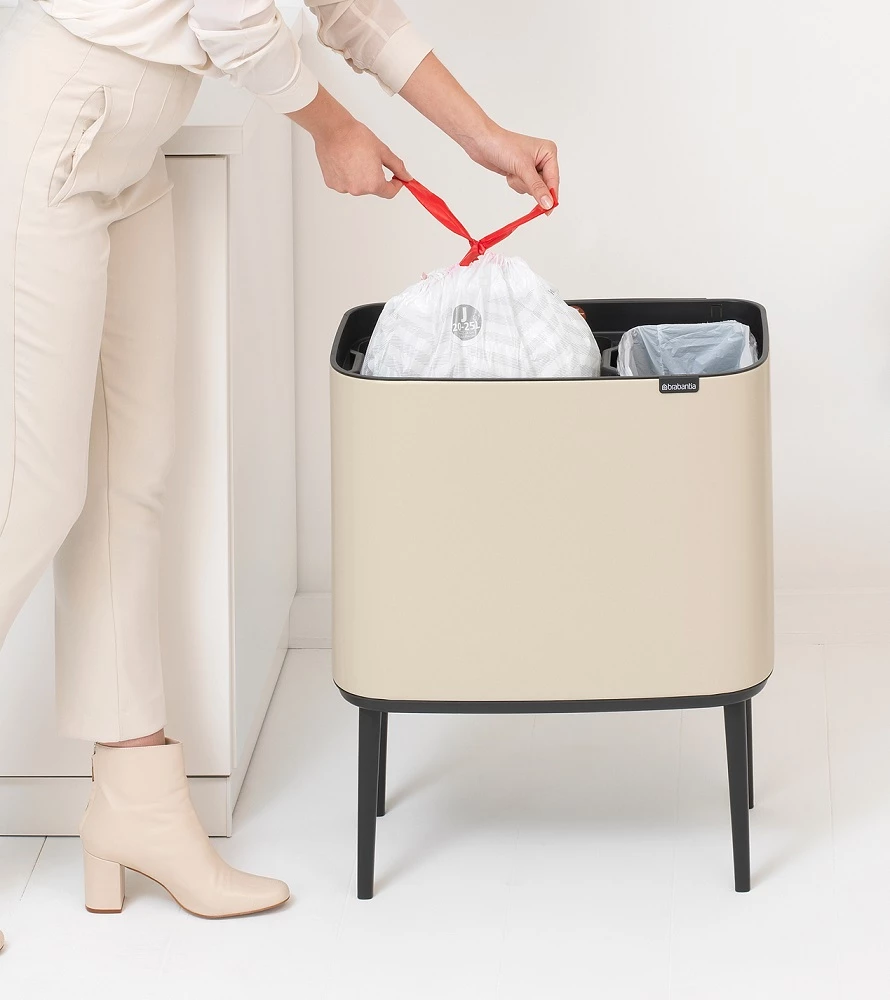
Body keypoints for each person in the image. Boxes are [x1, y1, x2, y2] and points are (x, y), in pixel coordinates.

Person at [0, 0, 559, 935]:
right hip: (60, 124)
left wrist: (484, 137)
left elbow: (351, 11)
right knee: (34, 488)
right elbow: (231, 18)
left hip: (129, 149)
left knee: (131, 478)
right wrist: (332, 128)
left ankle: (136, 804)